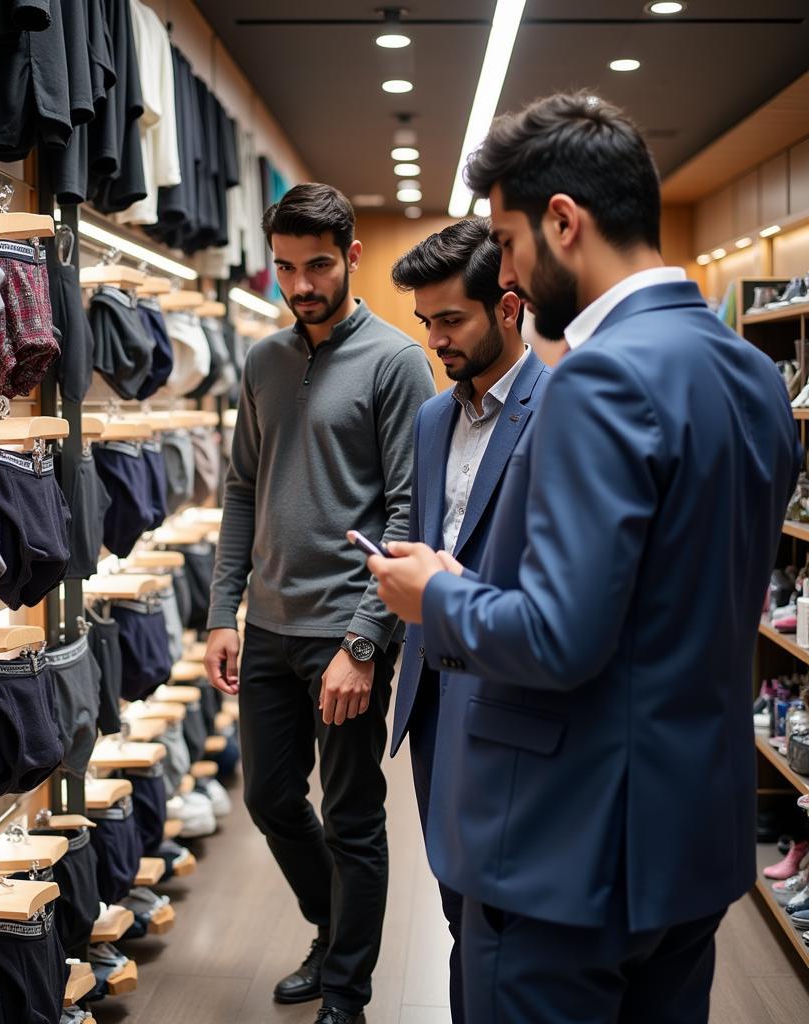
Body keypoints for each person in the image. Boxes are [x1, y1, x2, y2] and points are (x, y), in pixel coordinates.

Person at [369, 92, 802, 1024]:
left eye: (511, 241)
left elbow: (559, 636)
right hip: (689, 839)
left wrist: (434, 595)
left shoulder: (600, 377)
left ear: (563, 221)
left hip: (564, 846)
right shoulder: (751, 375)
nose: (511, 270)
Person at [203, 182, 435, 1024]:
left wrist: (367, 643)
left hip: (345, 629)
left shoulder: (396, 361)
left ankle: (346, 988)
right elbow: (240, 488)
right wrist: (221, 612)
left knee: (351, 817)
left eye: (318, 266)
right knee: (267, 796)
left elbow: (408, 513)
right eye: (288, 268)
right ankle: (333, 928)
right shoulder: (263, 362)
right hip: (266, 623)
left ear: (353, 257)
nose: (302, 285)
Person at [388, 218, 551, 1023]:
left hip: (509, 694)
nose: (435, 339)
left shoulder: (560, 410)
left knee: (503, 920)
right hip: (429, 699)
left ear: (510, 307)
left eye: (450, 319)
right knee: (456, 904)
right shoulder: (429, 420)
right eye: (426, 322)